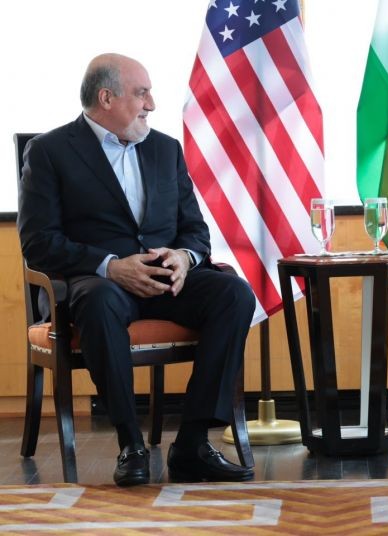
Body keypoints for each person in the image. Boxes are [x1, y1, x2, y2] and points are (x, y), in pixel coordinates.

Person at [18, 53, 256, 486]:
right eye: (142, 93)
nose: (152, 104)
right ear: (106, 98)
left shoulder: (166, 149)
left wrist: (184, 257)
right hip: (99, 285)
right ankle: (131, 443)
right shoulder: (50, 152)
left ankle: (193, 443)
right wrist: (110, 266)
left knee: (234, 293)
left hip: (167, 282)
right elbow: (38, 243)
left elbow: (195, 230)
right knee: (99, 301)